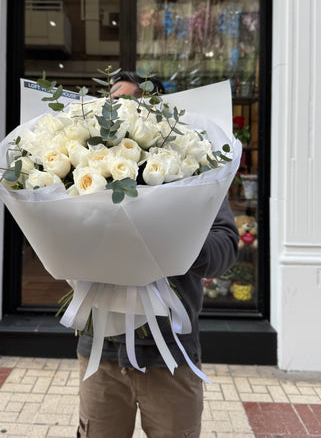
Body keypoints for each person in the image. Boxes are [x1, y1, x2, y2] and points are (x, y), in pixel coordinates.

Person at [76, 74, 239, 438]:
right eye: (110, 106)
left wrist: (170, 237)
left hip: (171, 356)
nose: (116, 115)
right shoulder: (84, 170)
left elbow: (225, 246)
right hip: (100, 354)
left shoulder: (195, 170)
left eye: (131, 105)